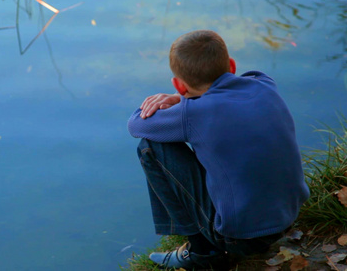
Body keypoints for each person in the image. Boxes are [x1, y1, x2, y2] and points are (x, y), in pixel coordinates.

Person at [127, 30, 310, 270]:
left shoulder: (194, 113)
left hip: (242, 238)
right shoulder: (264, 84)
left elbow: (137, 124)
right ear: (231, 65)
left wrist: (176, 99)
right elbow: (241, 83)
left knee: (150, 147)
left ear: (178, 85)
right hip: (288, 216)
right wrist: (183, 98)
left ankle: (203, 252)